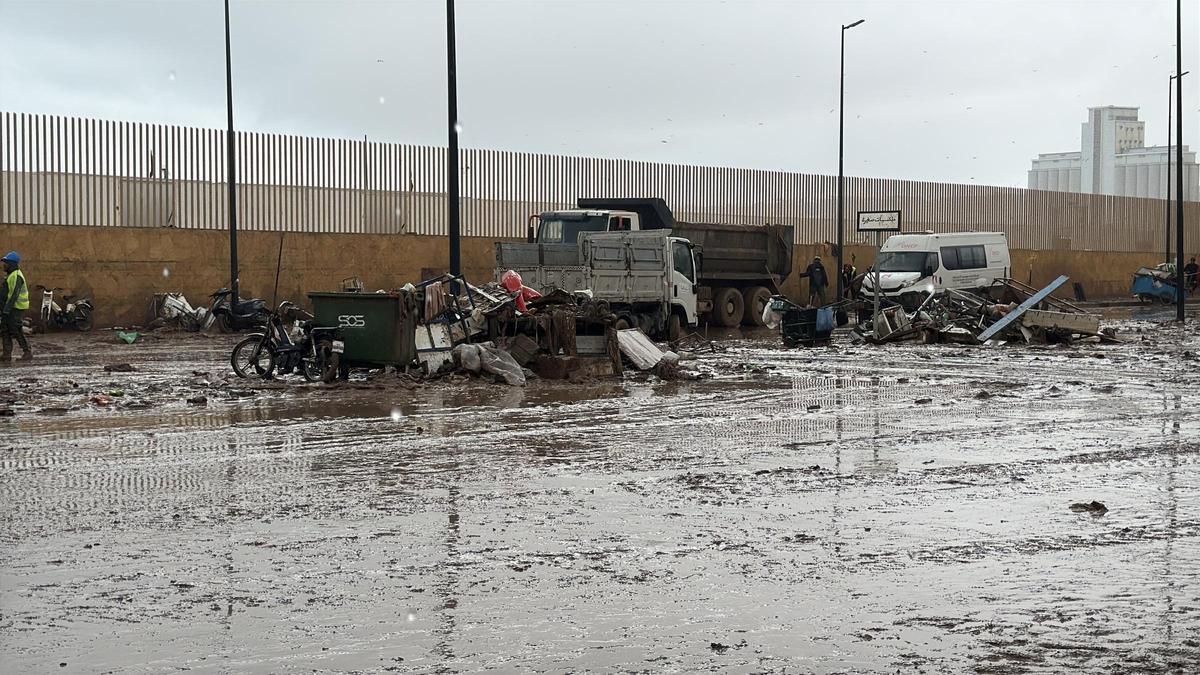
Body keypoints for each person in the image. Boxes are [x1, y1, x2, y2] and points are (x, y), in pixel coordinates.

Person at [1, 251, 32, 362]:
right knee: (4, 329)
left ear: (12, 264)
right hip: (8, 307)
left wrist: (6, 309)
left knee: (16, 329)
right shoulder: (10, 275)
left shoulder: (17, 276)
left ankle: (27, 352)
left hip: (16, 307)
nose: (4, 265)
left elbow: (14, 295)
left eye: (6, 263)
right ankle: (6, 355)